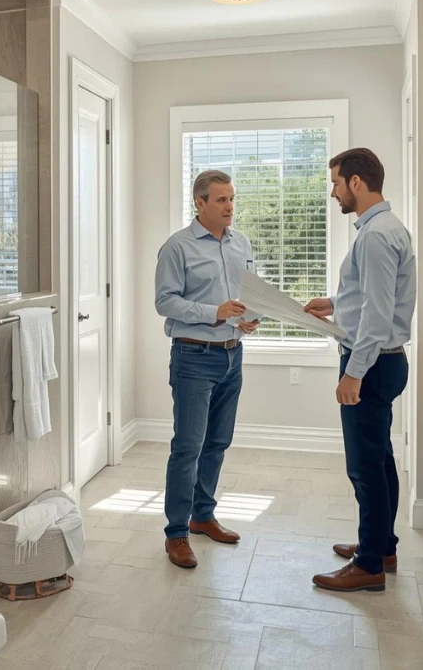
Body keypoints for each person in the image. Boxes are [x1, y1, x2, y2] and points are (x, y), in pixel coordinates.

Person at [305, 148, 416, 592]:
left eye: (335, 183)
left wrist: (352, 372)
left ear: (355, 182)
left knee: (364, 468)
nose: (333, 192)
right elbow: (374, 297)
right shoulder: (388, 228)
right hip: (386, 362)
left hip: (371, 365)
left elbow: (376, 314)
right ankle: (381, 545)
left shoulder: (373, 236)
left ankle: (370, 566)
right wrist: (335, 303)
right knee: (381, 459)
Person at [154, 169, 261, 569]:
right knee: (188, 447)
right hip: (194, 357)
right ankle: (176, 533)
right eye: (221, 200)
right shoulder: (177, 248)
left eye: (232, 198)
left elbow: (247, 295)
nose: (230, 206)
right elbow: (165, 302)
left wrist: (250, 318)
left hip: (234, 354)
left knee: (217, 442)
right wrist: (213, 313)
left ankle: (202, 515)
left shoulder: (242, 244)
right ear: (199, 203)